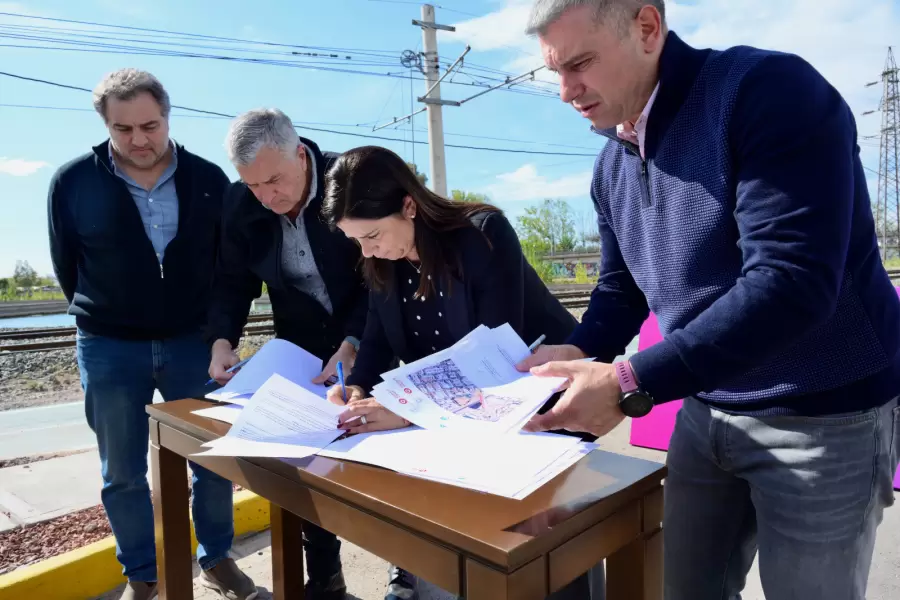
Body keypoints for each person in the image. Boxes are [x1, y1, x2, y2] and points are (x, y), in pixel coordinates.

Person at [517, 2, 900, 599]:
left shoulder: (768, 94)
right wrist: (577, 350)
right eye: (555, 72)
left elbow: (791, 282)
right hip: (706, 410)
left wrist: (624, 383)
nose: (567, 91)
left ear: (647, 28)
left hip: (825, 414)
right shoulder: (611, 164)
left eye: (581, 63)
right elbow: (622, 289)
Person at [320, 145, 599, 600]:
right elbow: (375, 340)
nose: (367, 250)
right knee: (479, 550)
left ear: (408, 205)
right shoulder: (382, 261)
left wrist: (405, 408)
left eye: (371, 236)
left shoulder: (482, 235)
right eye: (356, 242)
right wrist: (354, 389)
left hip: (542, 405)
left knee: (547, 552)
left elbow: (494, 358)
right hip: (462, 420)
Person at [47, 69, 256, 600]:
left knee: (213, 458)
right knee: (122, 472)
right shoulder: (72, 182)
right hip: (110, 347)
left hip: (194, 344)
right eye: (123, 129)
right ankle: (142, 575)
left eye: (150, 125)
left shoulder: (210, 181)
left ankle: (217, 560)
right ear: (106, 126)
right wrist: (113, 311)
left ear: (168, 116)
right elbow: (67, 267)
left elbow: (228, 270)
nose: (139, 140)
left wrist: (217, 334)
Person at [206, 108, 368, 600]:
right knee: (303, 465)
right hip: (299, 342)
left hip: (371, 333)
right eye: (254, 186)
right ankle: (325, 583)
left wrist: (356, 340)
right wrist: (221, 339)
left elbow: (384, 271)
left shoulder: (354, 178)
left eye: (275, 180)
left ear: (302, 154)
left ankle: (406, 578)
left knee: (379, 459)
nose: (267, 197)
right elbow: (233, 280)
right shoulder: (243, 202)